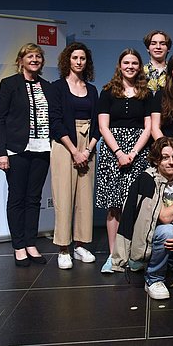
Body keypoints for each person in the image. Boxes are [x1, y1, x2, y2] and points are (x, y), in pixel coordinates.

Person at [111, 137, 173, 300]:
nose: (171, 162)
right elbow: (165, 217)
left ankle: (166, 267)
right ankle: (153, 279)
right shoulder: (148, 180)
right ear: (156, 160)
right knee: (167, 230)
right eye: (165, 157)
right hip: (148, 240)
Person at [0, 43, 53, 266]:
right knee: (17, 197)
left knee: (34, 198)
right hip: (16, 149)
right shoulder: (9, 84)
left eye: (38, 56)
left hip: (42, 149)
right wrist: (1, 152)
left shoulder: (47, 87)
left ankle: (30, 243)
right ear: (21, 60)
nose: (35, 59)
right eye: (30, 56)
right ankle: (18, 246)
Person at [96, 48, 153, 273]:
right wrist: (119, 152)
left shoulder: (145, 93)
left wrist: (134, 152)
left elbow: (148, 127)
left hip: (139, 151)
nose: (130, 66)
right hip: (113, 151)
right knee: (115, 206)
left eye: (134, 63)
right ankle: (113, 255)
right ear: (119, 66)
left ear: (140, 67)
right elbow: (103, 127)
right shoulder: (107, 92)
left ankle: (133, 254)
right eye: (126, 63)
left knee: (136, 206)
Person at [49, 42, 100, 270]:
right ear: (67, 61)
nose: (79, 62)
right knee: (63, 197)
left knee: (84, 198)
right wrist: (74, 151)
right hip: (65, 145)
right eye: (74, 58)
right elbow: (56, 122)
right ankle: (63, 248)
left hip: (87, 145)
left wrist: (87, 150)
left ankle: (80, 245)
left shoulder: (92, 90)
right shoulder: (57, 87)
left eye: (82, 58)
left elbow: (98, 124)